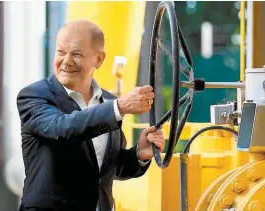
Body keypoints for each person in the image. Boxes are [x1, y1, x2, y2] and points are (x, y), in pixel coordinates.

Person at [16, 20, 165, 211]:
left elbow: (109, 168)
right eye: (61, 52)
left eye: (76, 54)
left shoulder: (108, 102)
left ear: (99, 60)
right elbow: (62, 127)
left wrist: (138, 154)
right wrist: (120, 107)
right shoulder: (34, 96)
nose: (66, 61)